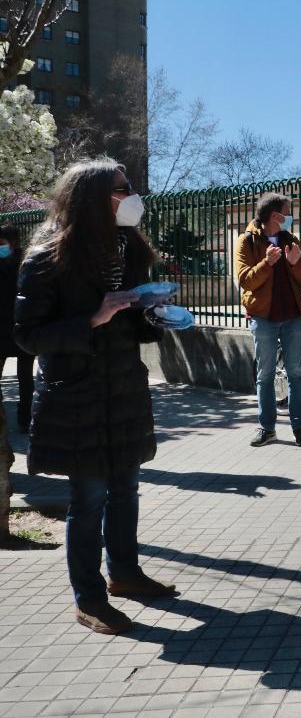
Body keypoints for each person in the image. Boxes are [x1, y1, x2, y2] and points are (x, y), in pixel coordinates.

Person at [14, 159, 177, 635]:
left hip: (123, 389)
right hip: (77, 397)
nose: (132, 197)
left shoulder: (128, 249)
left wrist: (154, 315)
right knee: (88, 499)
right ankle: (88, 599)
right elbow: (27, 335)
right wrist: (90, 319)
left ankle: (124, 574)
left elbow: (131, 321)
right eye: (122, 189)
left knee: (125, 489)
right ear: (92, 198)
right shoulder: (47, 256)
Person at [234, 192, 301, 447]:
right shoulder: (246, 241)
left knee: (296, 374)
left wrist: (294, 262)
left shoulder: (290, 240)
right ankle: (267, 428)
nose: (290, 217)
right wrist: (267, 264)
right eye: (287, 212)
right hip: (263, 317)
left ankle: (299, 427)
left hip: (292, 318)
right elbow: (245, 279)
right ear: (274, 216)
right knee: (265, 375)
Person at [0, 223, 34, 433]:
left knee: (25, 379)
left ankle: (25, 418)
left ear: (13, 243)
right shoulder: (26, 263)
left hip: (20, 328)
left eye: (1, 243)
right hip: (7, 331)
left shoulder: (26, 265)